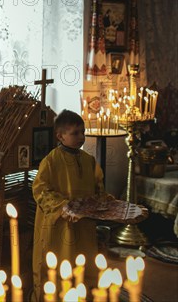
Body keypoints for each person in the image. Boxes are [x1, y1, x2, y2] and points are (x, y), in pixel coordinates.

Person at [31, 110, 109, 301]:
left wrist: (105, 201)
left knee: (84, 262)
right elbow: (40, 190)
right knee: (58, 263)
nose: (81, 137)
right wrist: (63, 207)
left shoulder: (88, 160)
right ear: (60, 136)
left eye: (83, 132)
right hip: (58, 224)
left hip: (84, 224)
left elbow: (98, 187)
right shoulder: (50, 161)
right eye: (75, 133)